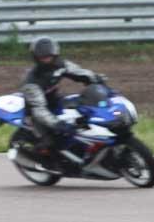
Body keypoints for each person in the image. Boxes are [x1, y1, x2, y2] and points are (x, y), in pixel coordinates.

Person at [19, 36, 107, 169]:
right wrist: (57, 124)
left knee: (84, 115)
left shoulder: (60, 64)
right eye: (43, 57)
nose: (47, 60)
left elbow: (79, 72)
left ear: (55, 54)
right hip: (36, 113)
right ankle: (45, 162)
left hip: (56, 102)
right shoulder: (31, 82)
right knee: (54, 140)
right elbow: (39, 110)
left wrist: (95, 78)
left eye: (49, 56)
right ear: (36, 58)